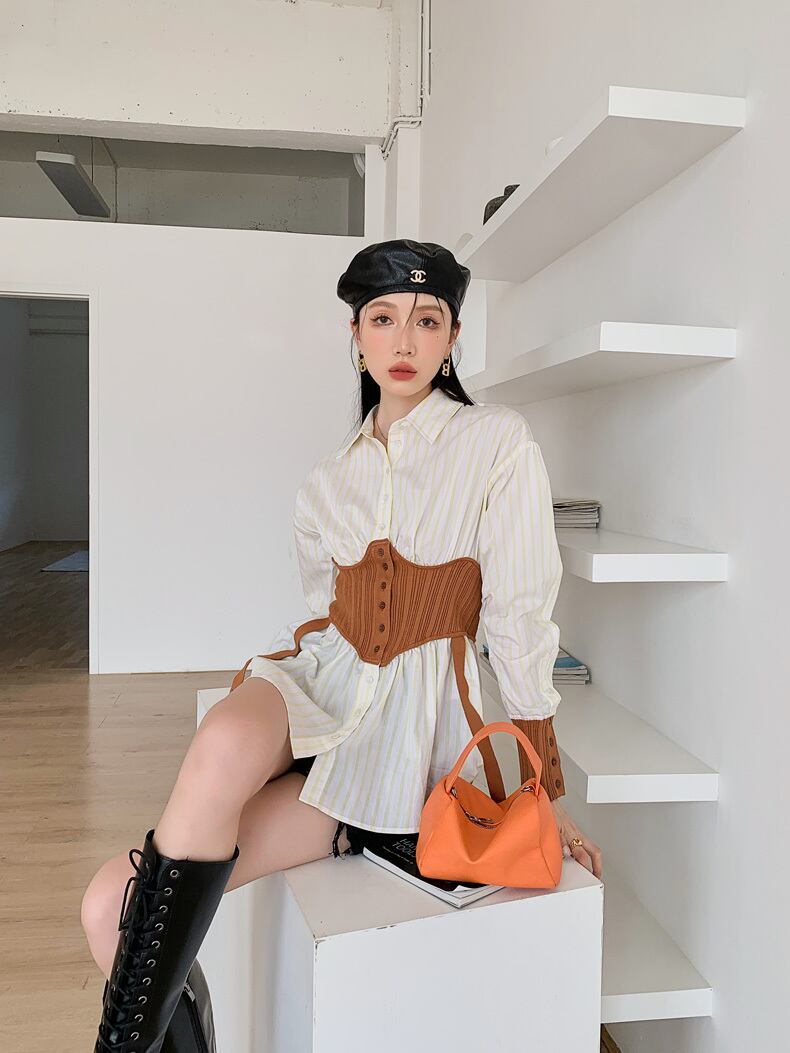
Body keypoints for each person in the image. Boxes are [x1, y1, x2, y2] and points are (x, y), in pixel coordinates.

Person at [82, 239, 601, 1052]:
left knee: (108, 903)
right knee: (214, 748)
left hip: (399, 749)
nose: (404, 341)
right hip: (322, 685)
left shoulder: (497, 442)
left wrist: (545, 786)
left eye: (426, 320)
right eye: (382, 319)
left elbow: (520, 616)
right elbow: (325, 610)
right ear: (354, 336)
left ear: (453, 337)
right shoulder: (327, 480)